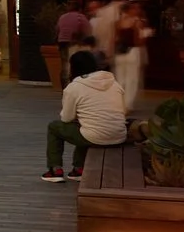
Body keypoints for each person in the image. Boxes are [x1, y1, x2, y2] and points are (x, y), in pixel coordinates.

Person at [44, 50, 128, 181]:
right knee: (85, 126)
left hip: (96, 136)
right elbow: (123, 110)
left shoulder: (74, 87)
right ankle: (78, 168)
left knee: (55, 127)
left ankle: (55, 170)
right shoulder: (114, 83)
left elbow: (66, 118)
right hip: (119, 135)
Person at [113, 0, 149, 110]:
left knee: (120, 79)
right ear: (130, 10)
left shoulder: (118, 22)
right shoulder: (138, 22)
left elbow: (115, 39)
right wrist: (146, 34)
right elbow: (139, 41)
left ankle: (118, 103)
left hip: (120, 53)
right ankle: (127, 105)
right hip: (133, 52)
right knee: (131, 80)